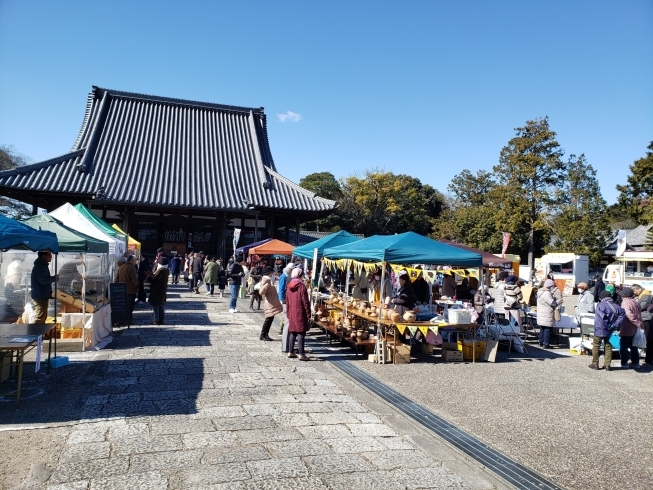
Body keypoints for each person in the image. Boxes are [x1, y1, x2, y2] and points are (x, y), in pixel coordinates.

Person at [589, 291, 625, 371]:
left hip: (600, 329)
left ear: (601, 297)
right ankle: (607, 365)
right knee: (608, 346)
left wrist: (607, 326)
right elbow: (621, 317)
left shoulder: (600, 305)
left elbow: (602, 318)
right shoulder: (617, 307)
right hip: (611, 330)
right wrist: (614, 326)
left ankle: (595, 363)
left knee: (596, 345)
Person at [286, 266, 311, 361]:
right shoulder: (301, 286)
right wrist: (308, 313)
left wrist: (288, 312)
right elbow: (305, 301)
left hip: (292, 311)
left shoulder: (289, 285)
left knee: (293, 331)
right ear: (300, 275)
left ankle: (291, 351)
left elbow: (287, 301)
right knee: (301, 332)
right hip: (300, 311)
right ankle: (302, 354)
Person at [617, 287, 644, 369]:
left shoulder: (626, 302)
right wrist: (639, 323)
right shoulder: (635, 301)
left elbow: (628, 314)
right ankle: (635, 362)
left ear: (624, 295)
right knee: (634, 346)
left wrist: (636, 322)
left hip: (627, 327)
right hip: (635, 328)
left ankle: (624, 362)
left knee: (623, 346)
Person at [30, 251, 59, 323]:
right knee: (39, 318)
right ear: (43, 256)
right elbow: (43, 281)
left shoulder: (42, 266)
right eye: (49, 255)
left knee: (42, 317)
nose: (51, 256)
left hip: (42, 295)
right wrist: (53, 278)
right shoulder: (40, 267)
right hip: (40, 296)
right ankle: (33, 333)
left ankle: (38, 333)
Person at [258, 265, 282, 341]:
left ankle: (265, 334)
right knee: (268, 319)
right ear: (269, 273)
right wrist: (267, 286)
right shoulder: (266, 280)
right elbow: (261, 292)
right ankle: (263, 335)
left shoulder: (269, 280)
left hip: (270, 301)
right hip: (269, 302)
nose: (273, 274)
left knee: (270, 319)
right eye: (272, 272)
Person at [116, 255, 140, 325]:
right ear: (131, 261)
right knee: (130, 306)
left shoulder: (121, 267)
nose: (135, 262)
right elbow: (134, 280)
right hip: (131, 290)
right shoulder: (131, 268)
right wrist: (138, 285)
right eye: (135, 260)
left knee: (123, 306)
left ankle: (122, 319)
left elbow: (117, 279)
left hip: (122, 290)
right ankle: (128, 320)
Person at [148, 256, 170, 325]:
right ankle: (161, 320)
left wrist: (149, 276)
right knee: (160, 305)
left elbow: (154, 280)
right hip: (162, 290)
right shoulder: (166, 270)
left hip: (157, 290)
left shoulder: (160, 270)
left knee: (155, 305)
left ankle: (155, 320)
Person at [537, 279, 558, 348]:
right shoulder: (547, 293)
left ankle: (541, 341)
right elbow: (551, 302)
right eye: (552, 285)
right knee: (547, 328)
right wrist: (557, 302)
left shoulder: (540, 291)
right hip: (547, 312)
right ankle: (546, 343)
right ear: (549, 286)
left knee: (542, 328)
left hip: (541, 312)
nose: (553, 287)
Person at [278, 263, 294, 350]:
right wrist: (281, 299)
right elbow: (281, 288)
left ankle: (286, 345)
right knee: (287, 323)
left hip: (285, 300)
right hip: (285, 301)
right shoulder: (284, 276)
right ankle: (285, 346)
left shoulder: (286, 275)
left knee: (286, 322)